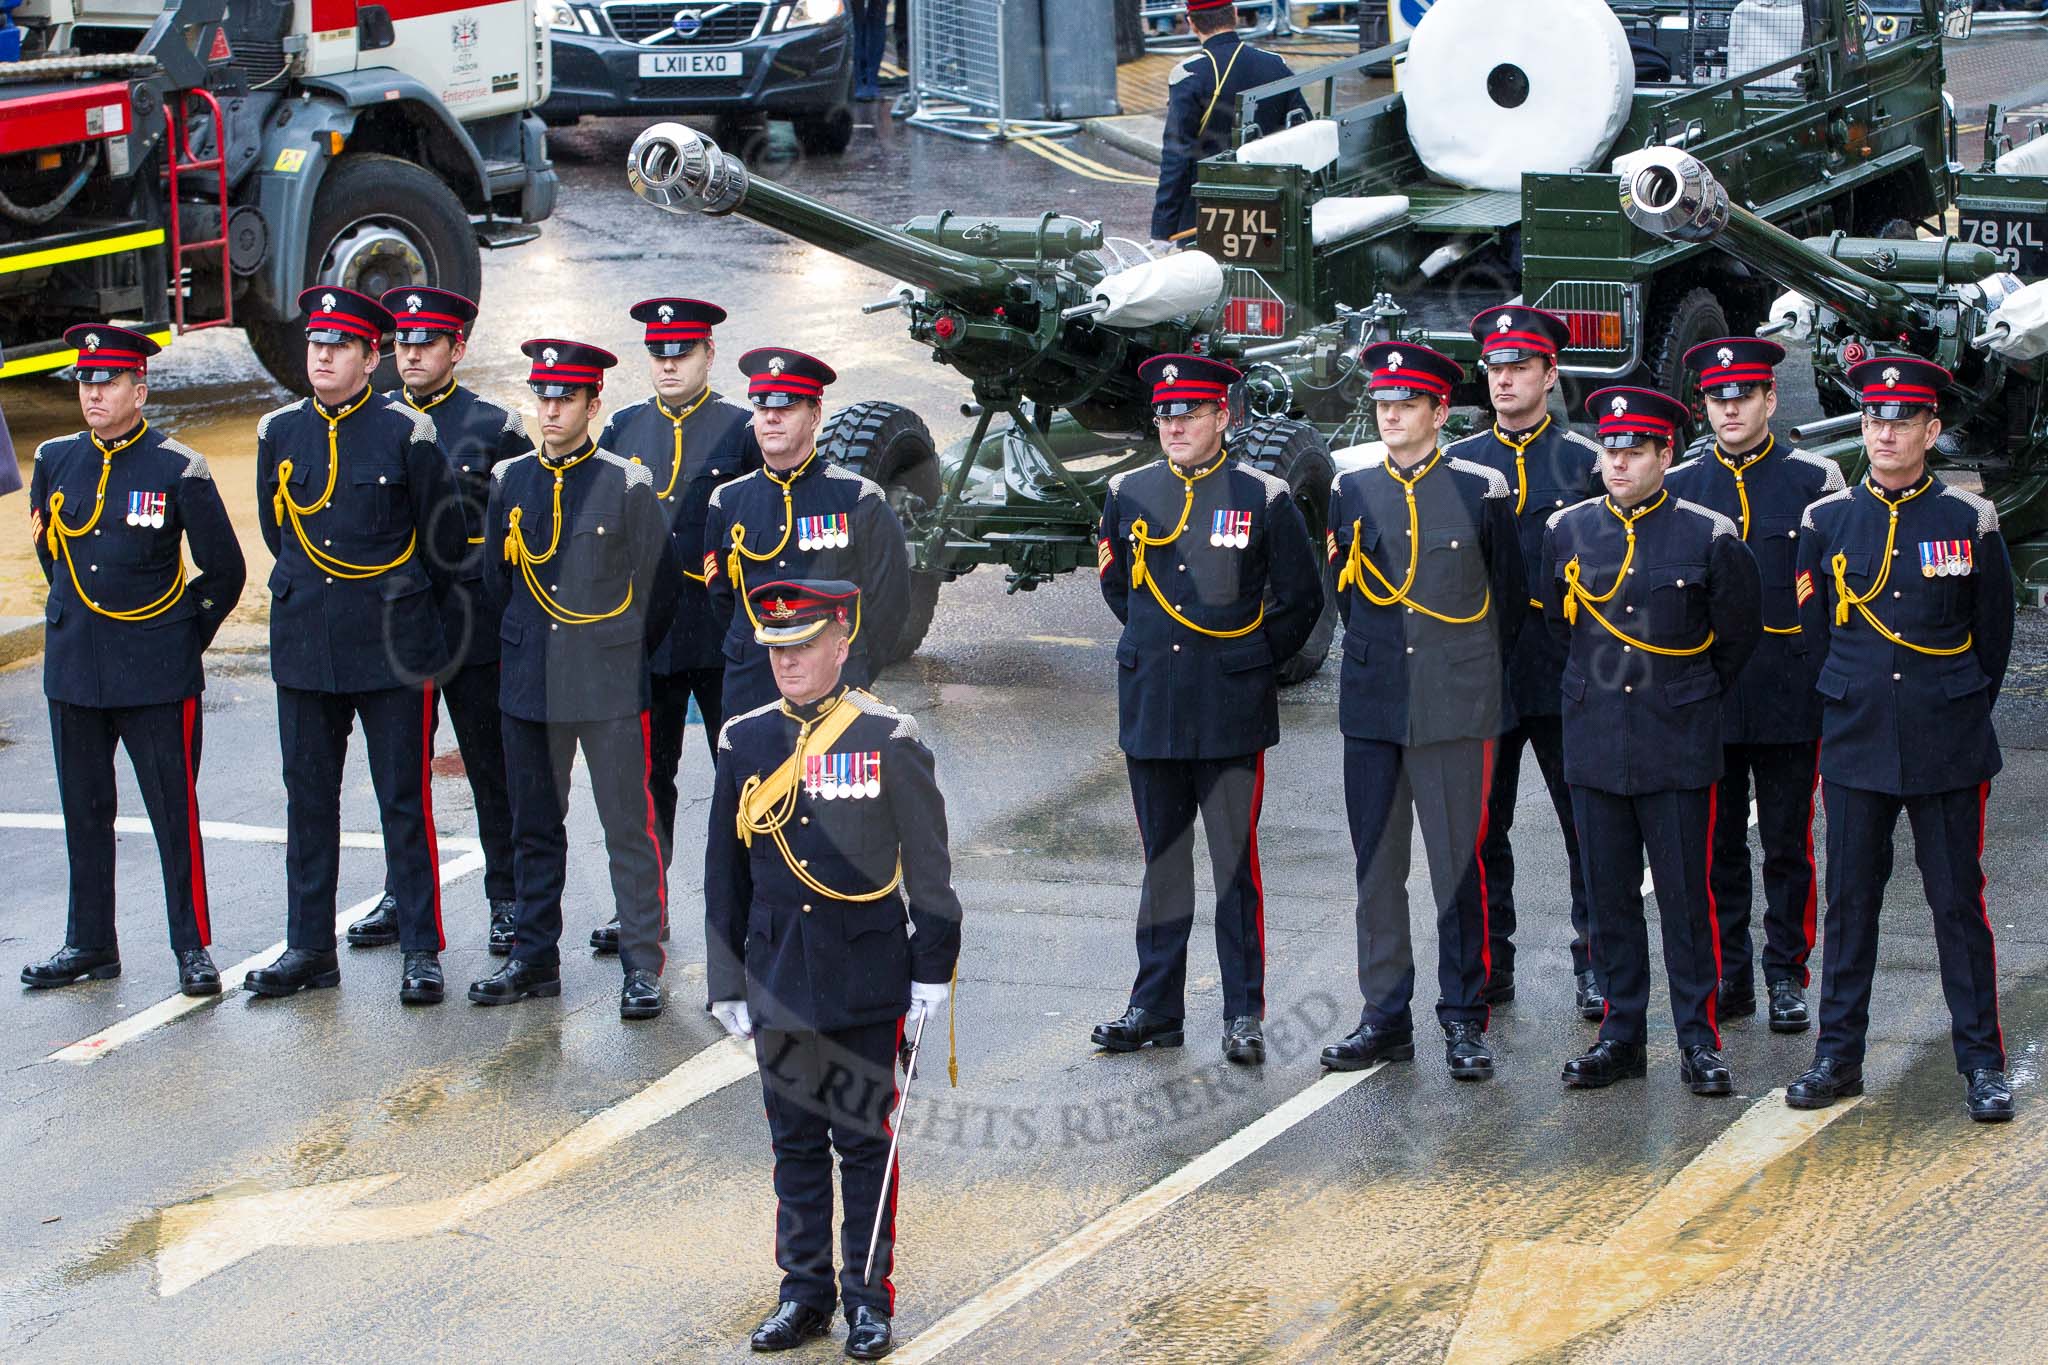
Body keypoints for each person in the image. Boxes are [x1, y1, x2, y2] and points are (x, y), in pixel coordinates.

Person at [705, 579, 962, 1362]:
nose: (787, 660)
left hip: (864, 973)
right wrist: (726, 981)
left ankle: (867, 1299)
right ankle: (804, 1292)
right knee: (794, 1143)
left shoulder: (889, 736)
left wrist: (930, 968)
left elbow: (929, 866)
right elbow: (725, 872)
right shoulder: (746, 741)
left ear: (840, 644)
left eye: (803, 645)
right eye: (776, 647)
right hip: (780, 975)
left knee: (863, 1143)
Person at [1786, 357, 2016, 1123]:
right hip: (1855, 739)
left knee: (1957, 905)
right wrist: (1854, 693)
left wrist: (1946, 698)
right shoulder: (1828, 522)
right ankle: (1837, 1057)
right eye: (1874, 419)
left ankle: (1983, 1064)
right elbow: (1816, 636)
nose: (1884, 432)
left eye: (1902, 420)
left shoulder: (1967, 521)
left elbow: (1993, 639)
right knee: (1850, 905)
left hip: (1946, 738)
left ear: (1932, 430)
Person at [1091, 354, 1323, 1064]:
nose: (1175, 427)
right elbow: (1118, 587)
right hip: (1153, 702)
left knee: (1232, 868)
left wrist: (1247, 659)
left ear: (1224, 417)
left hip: (1228, 708)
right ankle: (1154, 1006)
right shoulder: (1128, 492)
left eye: (1189, 414)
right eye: (1165, 416)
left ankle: (1242, 1011)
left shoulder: (1263, 494)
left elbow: (1301, 599)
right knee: (1163, 861)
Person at [1539, 386, 1760, 1093]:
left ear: (1667, 453)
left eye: (1636, 450)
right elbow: (1556, 628)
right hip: (1597, 738)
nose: (1621, 462)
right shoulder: (1568, 531)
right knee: (1609, 898)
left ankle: (1698, 1039)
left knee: (1685, 900)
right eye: (1612, 449)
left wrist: (1686, 697)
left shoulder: (1708, 532)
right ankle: (1621, 1034)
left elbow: (1734, 638)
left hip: (1677, 739)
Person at [247, 288, 466, 1003]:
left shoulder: (407, 434)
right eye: (315, 344)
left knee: (403, 800)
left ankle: (421, 947)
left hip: (392, 647)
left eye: (338, 346)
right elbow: (281, 534)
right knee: (307, 800)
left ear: (372, 358)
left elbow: (444, 550)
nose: (321, 356)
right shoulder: (278, 432)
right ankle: (309, 946)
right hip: (308, 642)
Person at [1319, 344, 1524, 1079]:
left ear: (1440, 412)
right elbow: (1348, 592)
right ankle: (1385, 1016)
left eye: (1406, 405)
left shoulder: (1481, 487)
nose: (1392, 416)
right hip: (1375, 707)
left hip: (1454, 708)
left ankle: (1465, 1019)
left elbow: (1507, 601)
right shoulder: (1351, 488)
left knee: (1455, 870)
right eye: (1383, 405)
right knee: (1378, 870)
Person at [20, 325, 245, 995]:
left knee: (173, 814)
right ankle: (89, 941)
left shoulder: (178, 467)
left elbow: (225, 571)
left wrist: (179, 635)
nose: (93, 393)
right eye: (86, 382)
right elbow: (52, 554)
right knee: (84, 811)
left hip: (155, 671)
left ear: (139, 390)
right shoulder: (55, 458)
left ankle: (191, 946)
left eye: (107, 382)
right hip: (76, 666)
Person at [469, 338, 681, 1019]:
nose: (551, 410)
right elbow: (497, 582)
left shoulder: (626, 483)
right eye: (543, 397)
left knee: (628, 826)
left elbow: (661, 590)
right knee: (533, 824)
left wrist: (615, 650)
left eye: (565, 398)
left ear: (594, 404)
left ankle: (642, 964)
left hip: (610, 683)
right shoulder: (512, 480)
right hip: (532, 682)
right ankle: (534, 958)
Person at [333, 286, 532, 958]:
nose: (412, 353)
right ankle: (401, 894)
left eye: (427, 342)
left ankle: (508, 898)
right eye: (404, 343)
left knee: (489, 768)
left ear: (458, 348)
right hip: (397, 627)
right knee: (400, 776)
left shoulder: (495, 426)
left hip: (471, 623)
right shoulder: (372, 420)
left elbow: (523, 525)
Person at [1665, 337, 1844, 1033]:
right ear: (1702, 405)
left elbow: (1833, 591)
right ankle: (1730, 972)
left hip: (1787, 692)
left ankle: (1787, 973)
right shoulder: (1680, 485)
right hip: (1708, 696)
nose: (1730, 409)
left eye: (1744, 396)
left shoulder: (1813, 481)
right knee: (1715, 848)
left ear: (1771, 398)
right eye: (1717, 398)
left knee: (1788, 844)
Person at [1450, 305, 1613, 1018]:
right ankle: (1491, 965)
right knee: (1482, 829)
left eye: (1520, 366)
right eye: (1495, 367)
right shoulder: (1456, 463)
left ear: (1551, 374)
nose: (1505, 379)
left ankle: (1597, 964)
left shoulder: (1585, 463)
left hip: (1565, 671)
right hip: (1482, 675)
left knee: (1589, 827)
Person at [591, 297, 759, 954]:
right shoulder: (625, 427)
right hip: (646, 639)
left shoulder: (742, 429)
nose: (668, 365)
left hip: (720, 637)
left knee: (741, 776)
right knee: (645, 781)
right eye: (658, 354)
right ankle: (643, 911)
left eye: (681, 353)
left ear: (708, 355)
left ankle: (744, 913)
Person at [703, 348, 908, 720]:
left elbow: (889, 604)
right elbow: (721, 598)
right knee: (753, 779)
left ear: (814, 415)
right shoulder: (727, 502)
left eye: (786, 408)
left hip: (836, 685)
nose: (772, 419)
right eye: (763, 409)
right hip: (751, 684)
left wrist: (852, 664)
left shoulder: (858, 498)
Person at [1150, 0, 1311, 248]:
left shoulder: (1191, 73)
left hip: (1208, 213)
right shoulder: (1274, 64)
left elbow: (1177, 155)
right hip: (1272, 206)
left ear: (1192, 23)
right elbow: (1303, 128)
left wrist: (1163, 227)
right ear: (1235, 15)